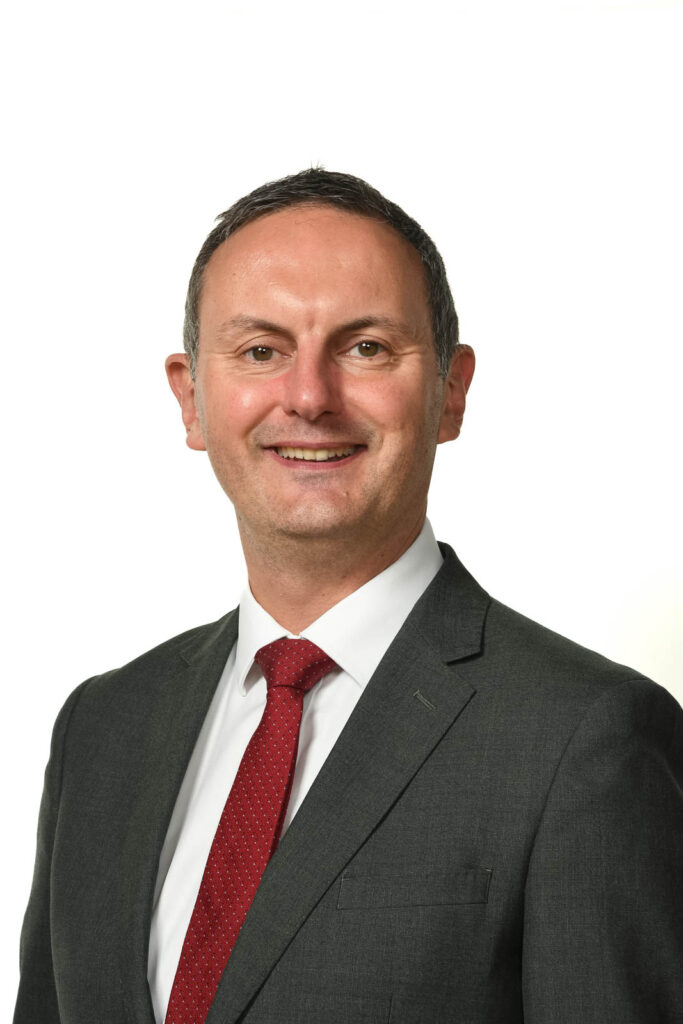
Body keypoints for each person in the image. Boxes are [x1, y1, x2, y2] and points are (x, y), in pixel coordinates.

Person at [14, 169, 682, 1024]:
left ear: (450, 390)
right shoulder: (101, 730)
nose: (308, 397)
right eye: (260, 350)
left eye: (365, 348)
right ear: (191, 399)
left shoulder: (585, 740)